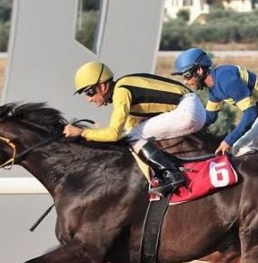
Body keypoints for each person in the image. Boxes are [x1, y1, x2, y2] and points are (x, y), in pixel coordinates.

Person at [63, 61, 206, 196]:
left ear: (102, 86)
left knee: (133, 136)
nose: (89, 99)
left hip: (187, 108)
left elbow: (114, 134)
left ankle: (171, 174)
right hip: (190, 108)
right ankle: (166, 170)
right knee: (133, 135)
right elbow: (126, 130)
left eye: (89, 92)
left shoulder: (121, 91)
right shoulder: (124, 90)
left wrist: (82, 132)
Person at [172, 47, 258, 155]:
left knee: (240, 148)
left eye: (187, 76)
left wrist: (228, 141)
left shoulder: (226, 80)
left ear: (199, 71)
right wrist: (185, 131)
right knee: (237, 147)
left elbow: (250, 113)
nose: (185, 82)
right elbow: (209, 117)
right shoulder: (214, 87)